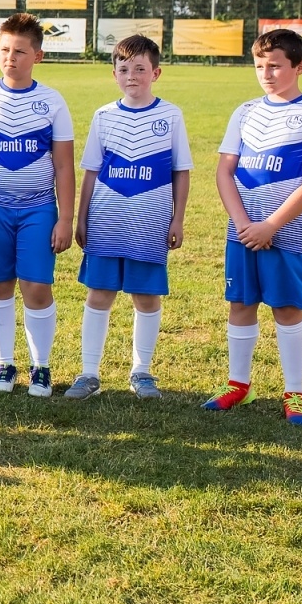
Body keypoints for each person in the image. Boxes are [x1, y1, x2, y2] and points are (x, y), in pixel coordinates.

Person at [206, 28, 302, 425]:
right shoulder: (245, 112)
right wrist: (245, 223)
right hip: (242, 232)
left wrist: (271, 225)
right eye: (260, 66)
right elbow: (225, 171)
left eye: (276, 66)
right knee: (241, 304)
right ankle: (238, 385)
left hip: (286, 233)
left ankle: (294, 391)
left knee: (287, 307)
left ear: (300, 66)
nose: (267, 73)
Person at [0, 12, 75, 397]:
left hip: (39, 209)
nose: (10, 58)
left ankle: (41, 367)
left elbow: (63, 164)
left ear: (37, 56)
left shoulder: (52, 102)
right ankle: (4, 364)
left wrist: (65, 218)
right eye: (4, 49)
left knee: (37, 286)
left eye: (20, 51)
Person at [65, 35, 191, 401]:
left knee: (146, 297)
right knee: (99, 293)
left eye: (140, 69)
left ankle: (142, 371)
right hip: (106, 221)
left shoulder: (170, 116)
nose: (131, 75)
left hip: (150, 224)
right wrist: (82, 218)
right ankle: (89, 373)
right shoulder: (104, 116)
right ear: (114, 74)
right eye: (124, 69)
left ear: (156, 72)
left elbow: (181, 171)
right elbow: (90, 170)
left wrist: (177, 219)